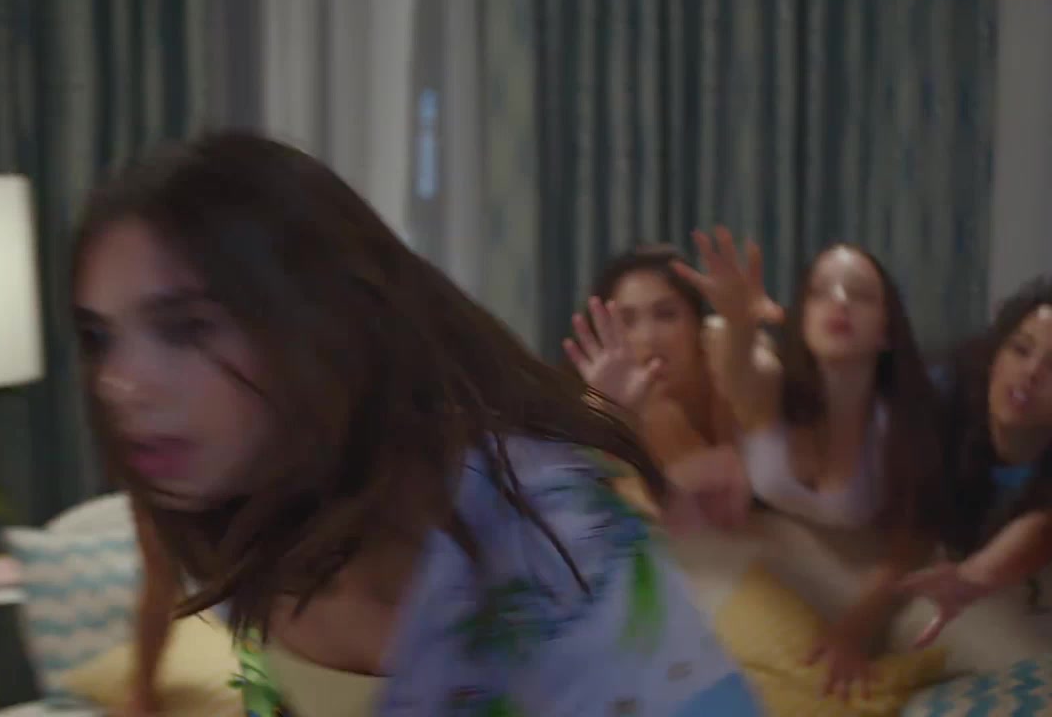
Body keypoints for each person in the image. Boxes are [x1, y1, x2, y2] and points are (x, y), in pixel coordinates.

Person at [70, 132, 761, 717]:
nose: (119, 385)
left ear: (319, 319)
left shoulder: (540, 527)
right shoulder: (230, 508)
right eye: (100, 337)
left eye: (186, 328)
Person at [673, 228, 942, 699]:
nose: (839, 302)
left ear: (886, 331)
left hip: (855, 575)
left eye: (860, 295)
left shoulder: (899, 424)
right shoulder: (771, 385)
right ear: (801, 318)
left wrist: (854, 628)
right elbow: (739, 370)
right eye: (820, 292)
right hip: (764, 560)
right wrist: (739, 321)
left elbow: (912, 542)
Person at [561, 247, 780, 528]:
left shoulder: (725, 349)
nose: (649, 338)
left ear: (696, 322)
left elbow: (754, 374)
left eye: (666, 315)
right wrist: (612, 412)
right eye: (627, 321)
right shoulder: (606, 397)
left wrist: (741, 327)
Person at [900, 277, 1052, 646]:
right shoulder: (945, 395)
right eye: (1020, 349)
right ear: (995, 352)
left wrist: (971, 579)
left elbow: (1040, 528)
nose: (1032, 372)